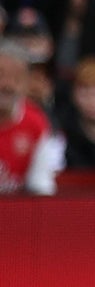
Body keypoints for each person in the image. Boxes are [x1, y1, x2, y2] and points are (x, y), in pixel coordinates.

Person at [0, 43, 61, 194]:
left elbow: (41, 186)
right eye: (0, 75)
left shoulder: (37, 123)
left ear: (27, 83)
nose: (6, 84)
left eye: (17, 77)